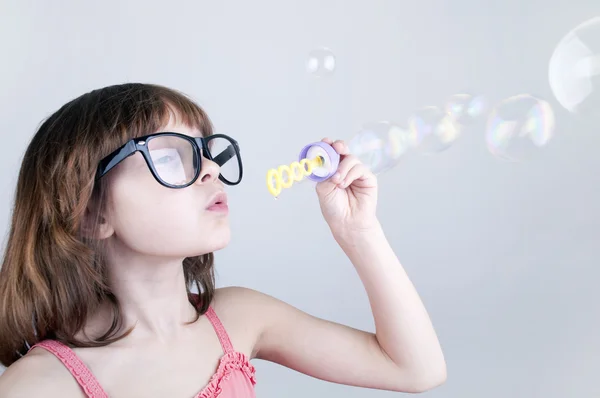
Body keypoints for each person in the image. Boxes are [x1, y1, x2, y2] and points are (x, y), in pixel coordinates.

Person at [0, 83, 446, 397]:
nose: (211, 168)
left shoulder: (240, 317)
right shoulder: (42, 386)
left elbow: (416, 369)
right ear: (92, 213)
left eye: (205, 151)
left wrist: (359, 232)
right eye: (171, 156)